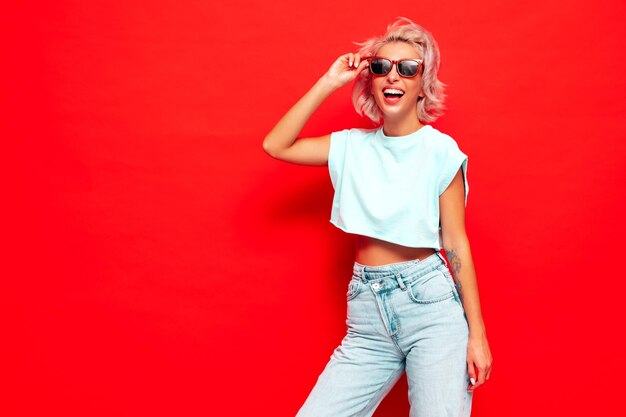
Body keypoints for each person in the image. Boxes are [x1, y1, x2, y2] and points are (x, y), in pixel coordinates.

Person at [262, 17, 492, 417]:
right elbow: (276, 145)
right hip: (367, 310)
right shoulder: (351, 147)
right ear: (370, 79)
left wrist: (478, 335)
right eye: (382, 66)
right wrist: (330, 81)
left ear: (424, 82)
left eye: (408, 68)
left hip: (432, 308)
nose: (394, 76)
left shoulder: (441, 152)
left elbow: (456, 242)